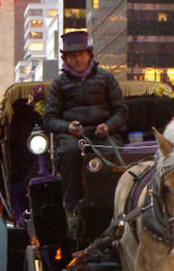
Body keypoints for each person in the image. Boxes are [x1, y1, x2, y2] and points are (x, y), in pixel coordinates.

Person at [43, 30, 128, 237]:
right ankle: (72, 210)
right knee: (71, 154)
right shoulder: (59, 84)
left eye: (80, 54)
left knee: (113, 155)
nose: (77, 59)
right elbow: (49, 118)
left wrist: (108, 126)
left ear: (89, 55)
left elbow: (121, 111)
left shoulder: (107, 78)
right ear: (66, 59)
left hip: (102, 133)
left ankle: (118, 207)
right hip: (73, 135)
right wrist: (67, 127)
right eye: (72, 56)